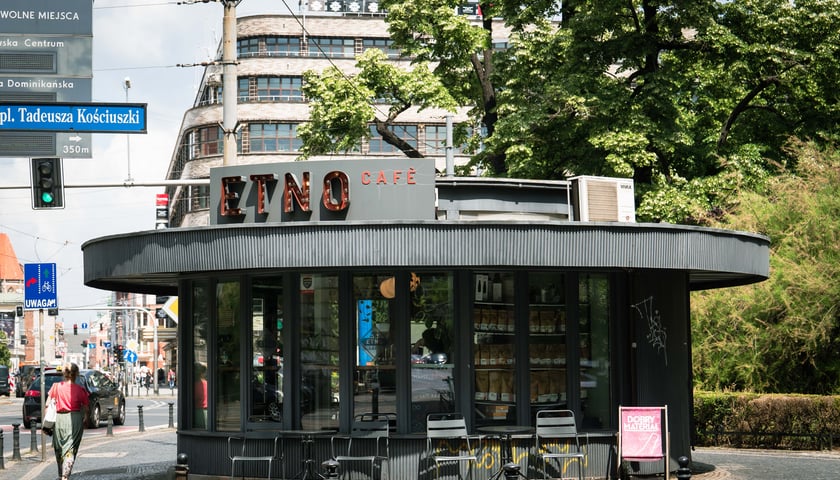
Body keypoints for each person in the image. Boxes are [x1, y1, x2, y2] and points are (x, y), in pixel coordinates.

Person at [48, 362, 89, 480]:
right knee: (71, 448)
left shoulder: (56, 387)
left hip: (59, 419)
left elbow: (47, 405)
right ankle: (65, 476)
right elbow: (86, 408)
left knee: (59, 448)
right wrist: (85, 418)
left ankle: (61, 474)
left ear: (64, 373)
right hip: (75, 419)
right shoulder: (80, 390)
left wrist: (47, 424)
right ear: (76, 374)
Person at [194, 363, 208, 428]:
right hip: (207, 410)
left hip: (198, 411)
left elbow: (196, 398)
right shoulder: (206, 383)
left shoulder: (195, 384)